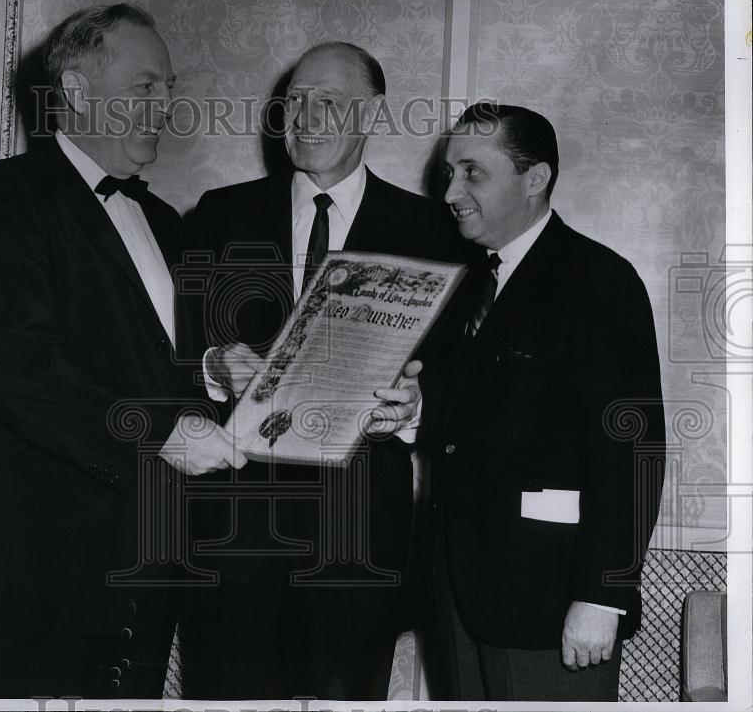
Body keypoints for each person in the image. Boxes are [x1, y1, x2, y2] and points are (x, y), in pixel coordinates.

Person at [0, 3, 242, 699]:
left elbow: (159, 364)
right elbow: (22, 371)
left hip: (140, 570)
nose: (165, 107)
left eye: (169, 88)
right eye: (145, 87)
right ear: (75, 91)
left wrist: (217, 372)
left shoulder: (162, 220)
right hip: (29, 571)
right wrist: (163, 431)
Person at [181, 41, 462, 700]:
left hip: (360, 534)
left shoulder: (432, 229)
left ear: (371, 113)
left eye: (327, 101)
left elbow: (460, 377)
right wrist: (211, 366)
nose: (304, 115)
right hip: (234, 530)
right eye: (294, 100)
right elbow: (166, 355)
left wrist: (418, 405)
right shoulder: (219, 214)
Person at [429, 103, 665, 701]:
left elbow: (633, 455)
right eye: (448, 172)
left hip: (553, 602)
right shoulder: (462, 285)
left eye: (471, 172)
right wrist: (410, 413)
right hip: (458, 595)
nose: (451, 190)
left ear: (535, 179)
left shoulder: (599, 281)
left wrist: (602, 595)